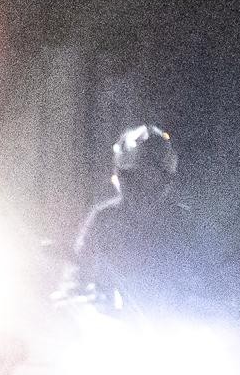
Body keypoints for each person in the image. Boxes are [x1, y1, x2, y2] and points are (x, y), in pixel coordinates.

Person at [73, 123, 200, 309]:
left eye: (153, 175)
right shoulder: (104, 219)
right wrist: (79, 294)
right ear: (122, 176)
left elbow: (208, 271)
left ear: (165, 178)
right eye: (136, 175)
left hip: (173, 324)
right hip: (111, 324)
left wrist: (211, 301)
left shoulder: (182, 222)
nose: (145, 183)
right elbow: (79, 270)